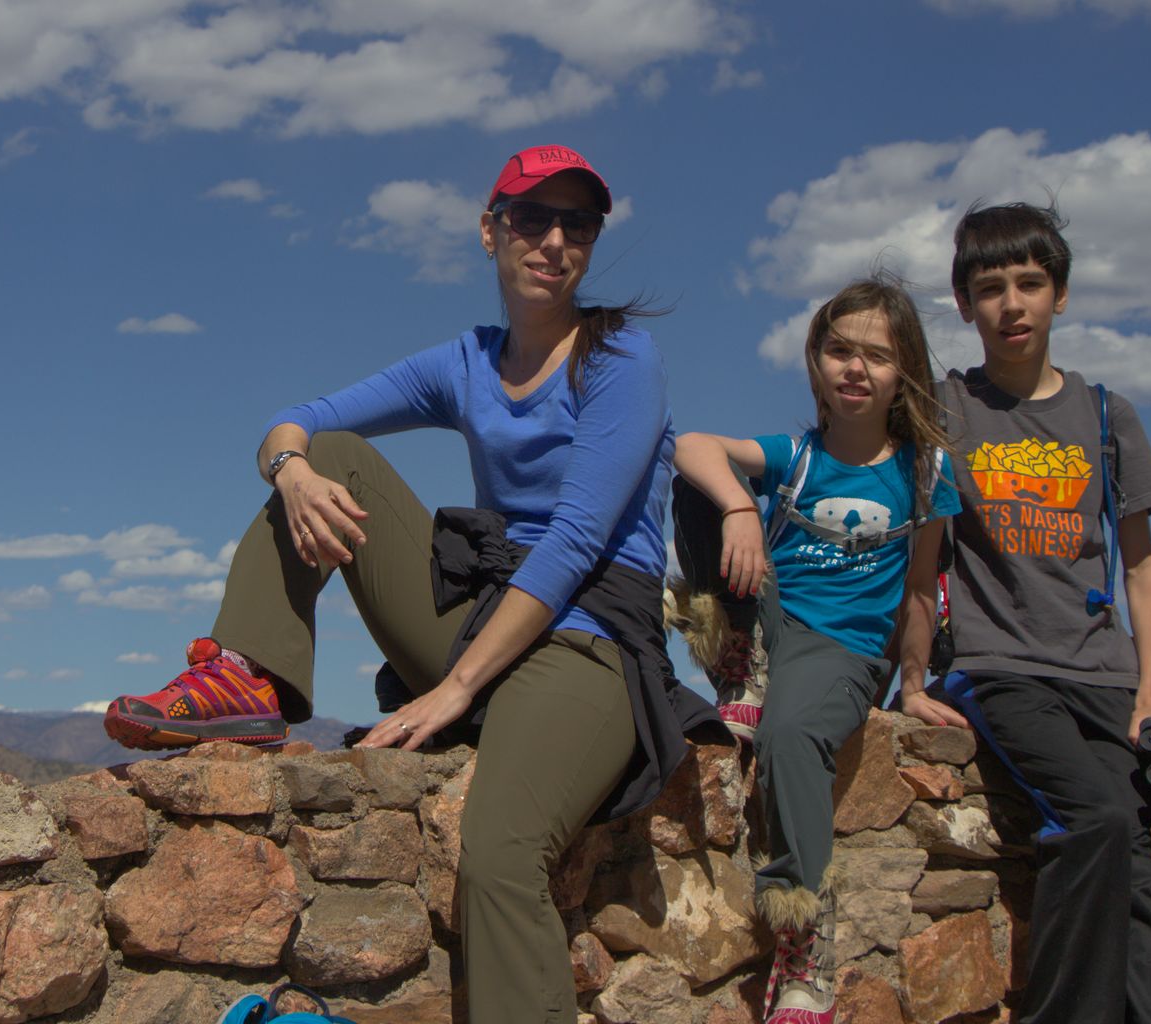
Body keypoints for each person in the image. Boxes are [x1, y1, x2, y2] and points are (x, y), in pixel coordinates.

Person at [96, 145, 726, 1024]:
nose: (552, 240)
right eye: (530, 218)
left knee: (502, 852)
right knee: (338, 460)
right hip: (486, 610)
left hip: (587, 636)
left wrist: (459, 690)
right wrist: (292, 472)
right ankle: (247, 675)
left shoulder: (622, 357)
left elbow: (580, 539)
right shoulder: (466, 362)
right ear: (489, 231)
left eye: (575, 223)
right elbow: (299, 422)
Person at [898, 202, 1151, 1024]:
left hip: (1102, 675)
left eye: (1030, 283)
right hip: (1003, 670)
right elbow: (923, 557)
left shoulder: (1107, 416)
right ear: (964, 305)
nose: (1012, 304)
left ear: (1059, 295)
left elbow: (1139, 563)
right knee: (1099, 819)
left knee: (1130, 865)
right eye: (989, 287)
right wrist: (911, 674)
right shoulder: (945, 409)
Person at [667, 277, 959, 1024]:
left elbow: (921, 586)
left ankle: (803, 942)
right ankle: (741, 667)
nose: (854, 368)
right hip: (768, 622)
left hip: (844, 649)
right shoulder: (793, 457)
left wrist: (915, 683)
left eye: (876, 356)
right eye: (838, 350)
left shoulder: (922, 473)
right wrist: (738, 505)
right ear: (814, 361)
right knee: (701, 489)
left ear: (904, 375)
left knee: (792, 736)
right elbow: (691, 444)